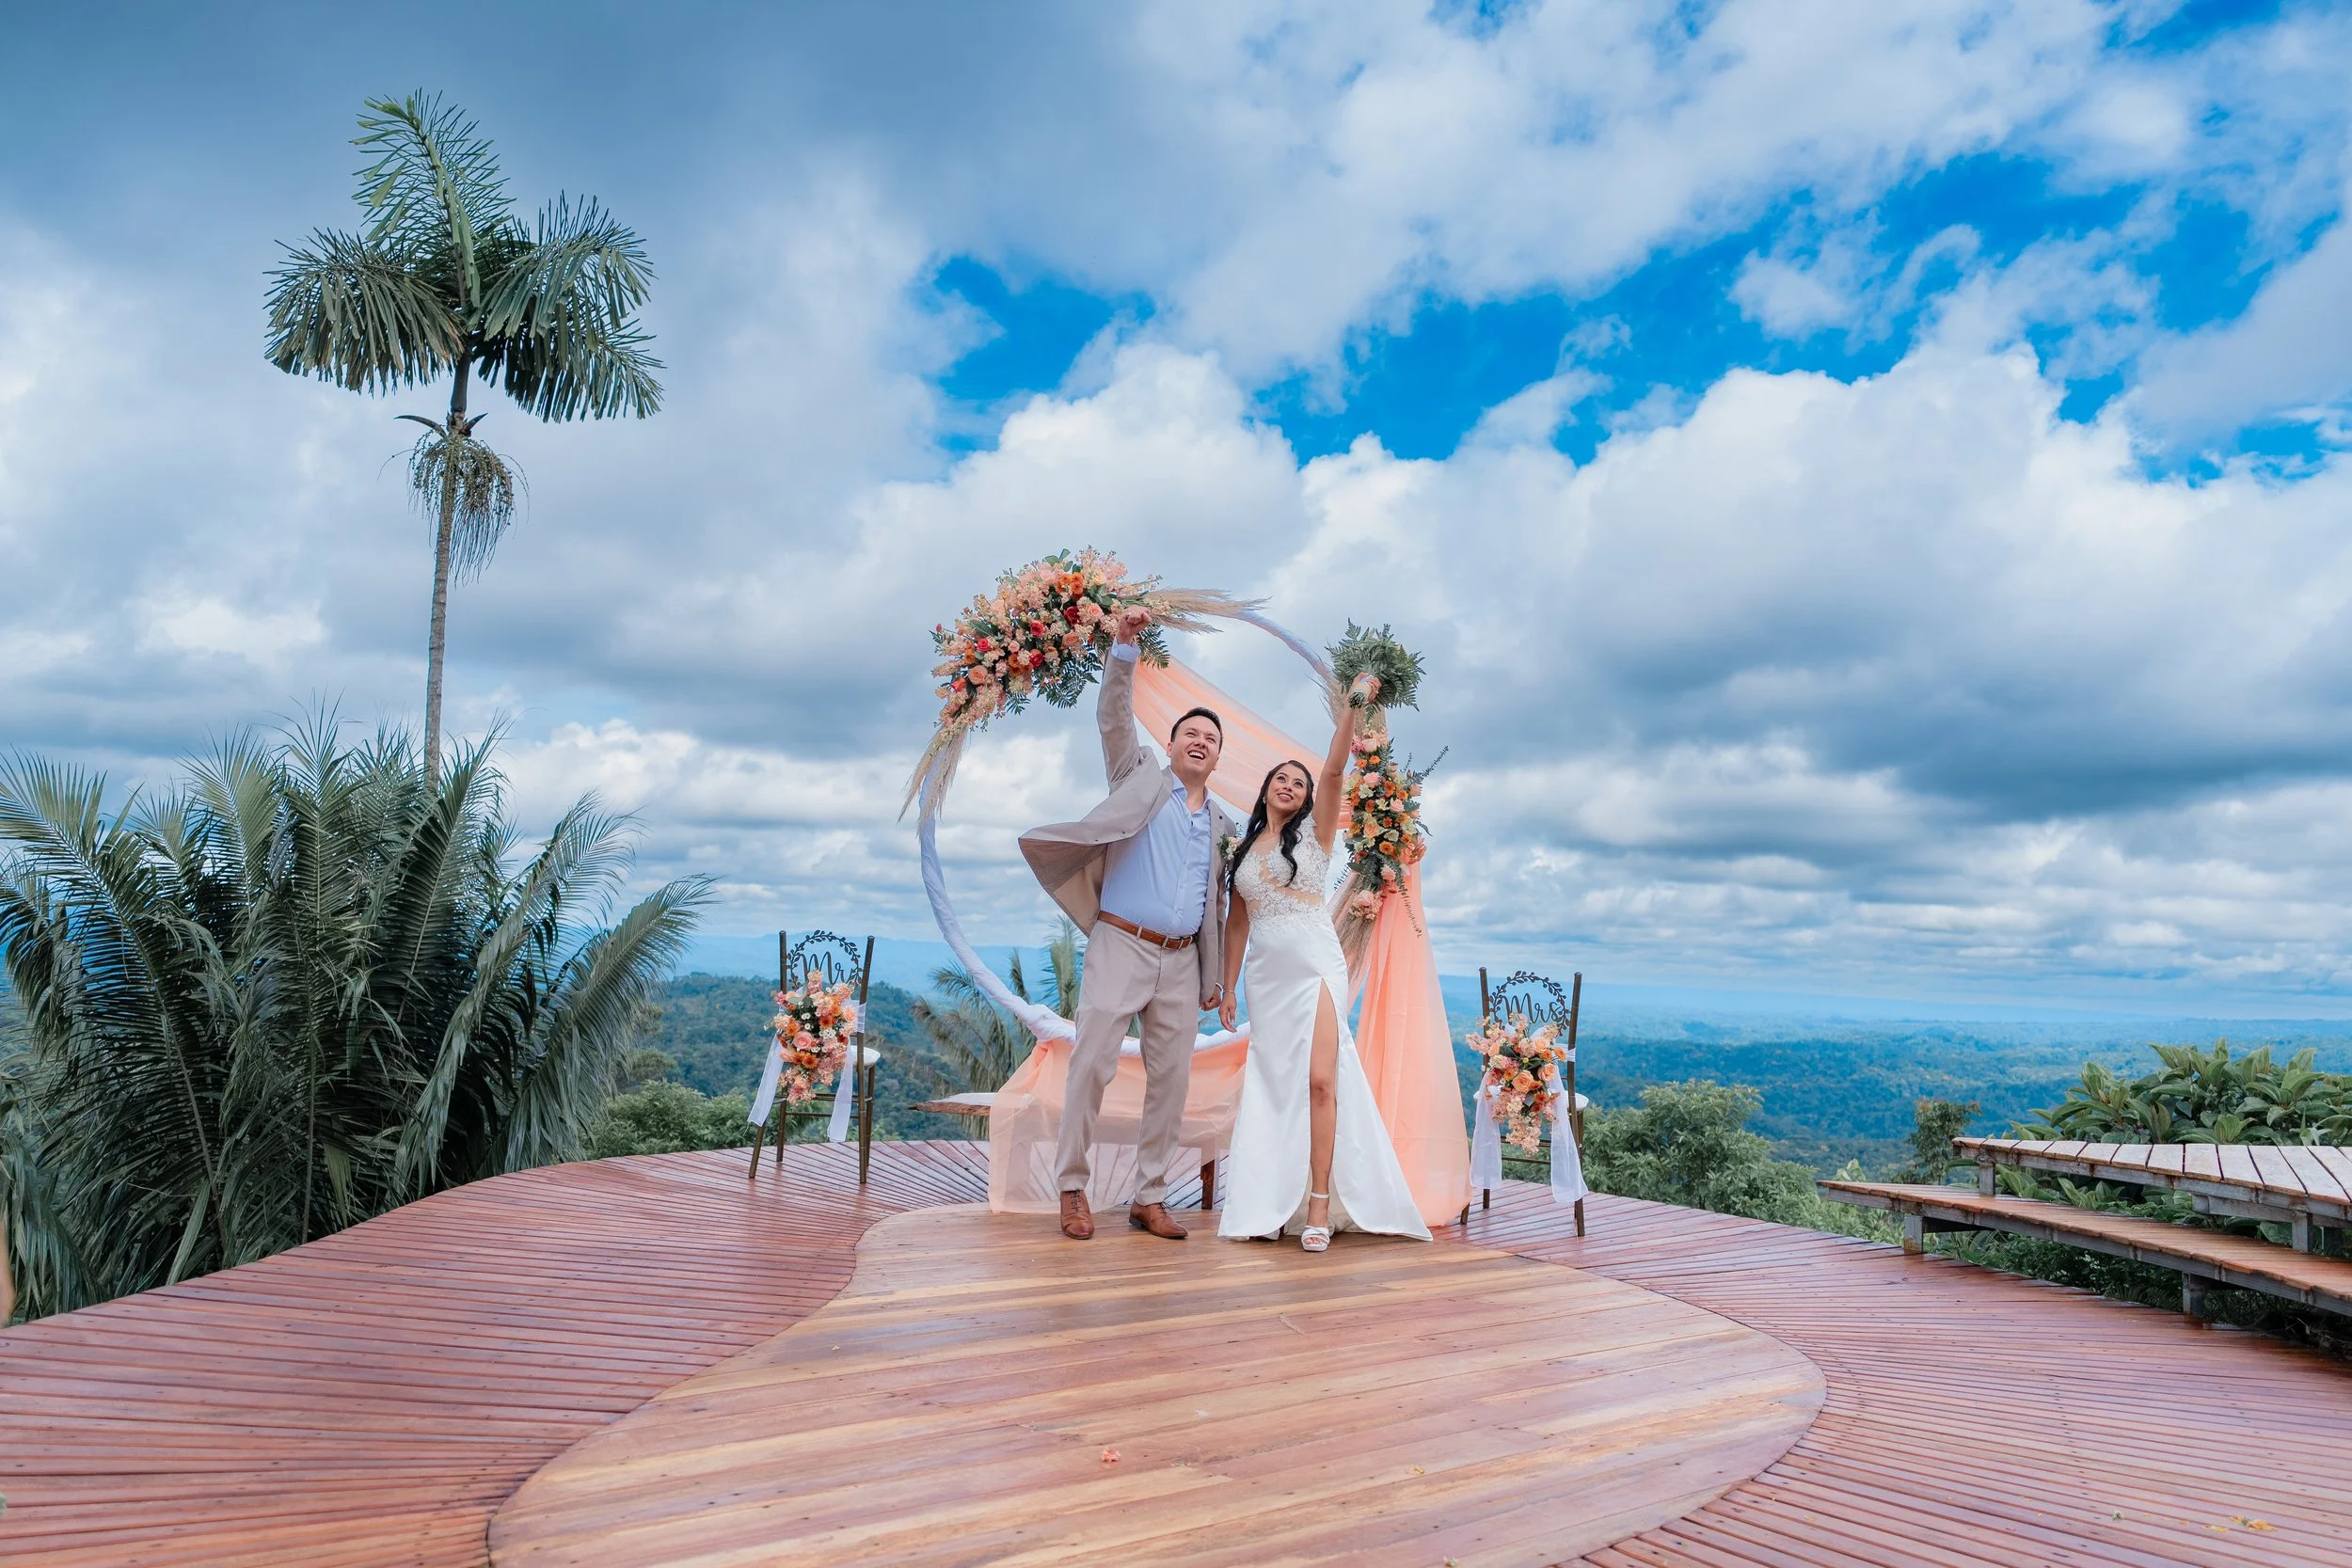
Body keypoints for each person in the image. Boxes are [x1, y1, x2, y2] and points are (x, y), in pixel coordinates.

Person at [1019, 607, 1234, 1242]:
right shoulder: (1138, 774)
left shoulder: (1222, 824)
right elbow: (1113, 715)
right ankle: (1073, 1188)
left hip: (1181, 961)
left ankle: (1150, 1196)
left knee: (1172, 1082)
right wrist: (1124, 646)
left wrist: (1215, 977)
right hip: (1120, 941)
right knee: (1091, 1064)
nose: (1200, 741)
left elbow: (1218, 908)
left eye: (1211, 738)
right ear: (1170, 745)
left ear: (1220, 755)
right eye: (1190, 732)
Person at [1215, 673, 1430, 1250]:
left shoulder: (1316, 836)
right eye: (1279, 779)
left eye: (1297, 782)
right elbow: (1237, 922)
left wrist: (1352, 710)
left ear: (1309, 798)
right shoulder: (1242, 851)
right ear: (1263, 791)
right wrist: (1228, 985)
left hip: (1315, 965)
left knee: (1319, 1081)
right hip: (1265, 976)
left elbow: (1336, 771)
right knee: (1273, 1085)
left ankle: (1318, 1202)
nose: (1289, 785)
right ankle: (1267, 1202)